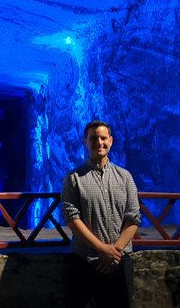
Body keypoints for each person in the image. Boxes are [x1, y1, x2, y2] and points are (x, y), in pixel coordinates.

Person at [61, 120, 141, 308]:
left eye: (103, 138)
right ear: (86, 142)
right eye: (94, 138)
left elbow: (133, 217)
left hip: (119, 262)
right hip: (86, 262)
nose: (99, 142)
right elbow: (71, 218)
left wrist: (114, 252)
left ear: (111, 141)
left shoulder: (125, 177)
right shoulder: (73, 178)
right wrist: (102, 249)